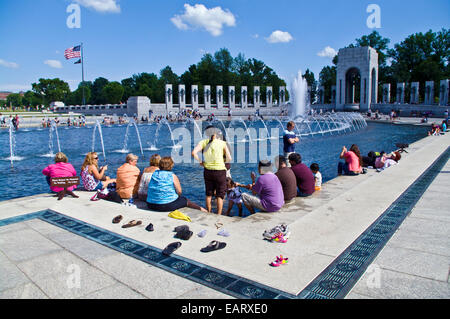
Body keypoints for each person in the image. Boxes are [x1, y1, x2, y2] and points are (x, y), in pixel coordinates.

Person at [192, 126, 232, 215]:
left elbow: (193, 152)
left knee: (209, 193)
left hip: (207, 170)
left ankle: (209, 212)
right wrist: (222, 162)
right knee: (220, 195)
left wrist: (200, 162)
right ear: (215, 133)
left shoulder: (203, 142)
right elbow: (229, 158)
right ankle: (219, 214)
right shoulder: (222, 143)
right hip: (220, 171)